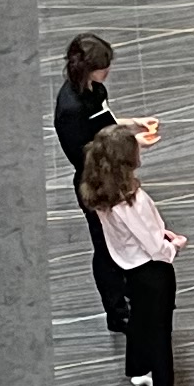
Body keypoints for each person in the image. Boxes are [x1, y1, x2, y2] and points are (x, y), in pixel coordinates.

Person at [79, 126, 194, 386]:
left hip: (127, 267)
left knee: (141, 321)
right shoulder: (132, 200)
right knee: (160, 328)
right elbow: (153, 245)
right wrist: (174, 245)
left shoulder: (101, 193)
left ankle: (139, 370)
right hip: (151, 270)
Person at [55, 34, 159, 334]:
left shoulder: (93, 89)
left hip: (111, 175)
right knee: (106, 249)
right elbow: (87, 154)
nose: (109, 71)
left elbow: (104, 120)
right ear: (90, 68)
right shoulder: (70, 109)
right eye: (104, 66)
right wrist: (131, 143)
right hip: (96, 184)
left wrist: (130, 123)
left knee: (122, 239)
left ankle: (128, 291)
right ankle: (117, 313)